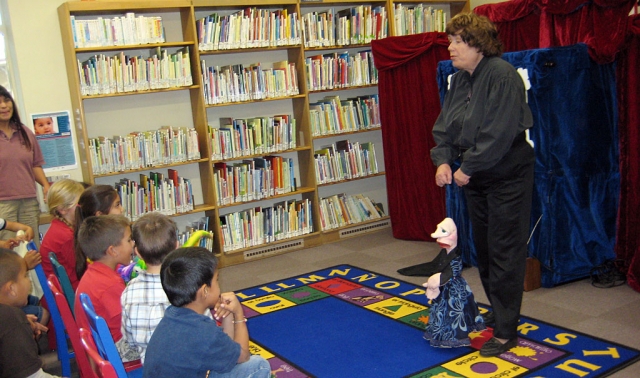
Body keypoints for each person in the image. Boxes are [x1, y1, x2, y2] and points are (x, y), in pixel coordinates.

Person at [430, 12, 535, 357]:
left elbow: (500, 133)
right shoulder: (460, 79)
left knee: (505, 251)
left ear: (478, 44)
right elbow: (445, 127)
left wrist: (467, 167)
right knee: (486, 250)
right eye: (451, 41)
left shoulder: (502, 76)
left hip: (506, 175)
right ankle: (500, 309)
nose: (451, 48)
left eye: (458, 41)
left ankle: (506, 332)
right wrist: (443, 159)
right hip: (477, 177)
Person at [143, 247, 270, 378]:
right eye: (216, 280)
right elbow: (243, 356)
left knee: (222, 365)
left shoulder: (172, 315)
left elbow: (227, 350)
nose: (218, 284)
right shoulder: (203, 332)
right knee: (258, 365)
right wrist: (238, 314)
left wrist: (228, 314)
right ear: (205, 291)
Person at [74, 214, 140, 362]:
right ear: (112, 251)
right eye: (129, 240)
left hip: (103, 349)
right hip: (115, 353)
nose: (133, 244)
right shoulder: (109, 285)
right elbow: (132, 325)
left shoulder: (94, 272)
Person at [121, 213, 179, 363]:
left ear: (137, 252)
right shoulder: (187, 287)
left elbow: (130, 340)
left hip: (150, 370)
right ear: (177, 247)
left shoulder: (129, 290)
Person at [0, 85, 50, 250]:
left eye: (6, 100)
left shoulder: (25, 132)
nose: (4, 106)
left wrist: (46, 186)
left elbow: (35, 164)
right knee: (9, 251)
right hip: (3, 204)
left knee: (31, 248)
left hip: (28, 200)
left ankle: (30, 278)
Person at [422, 218, 485, 347]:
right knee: (440, 310)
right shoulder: (444, 252)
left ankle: (454, 336)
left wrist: (437, 280)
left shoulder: (456, 254)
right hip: (443, 285)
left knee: (453, 310)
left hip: (453, 287)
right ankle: (440, 331)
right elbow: (436, 265)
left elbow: (453, 272)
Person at [0, 249, 60, 378]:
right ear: (11, 289)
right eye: (25, 276)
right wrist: (18, 325)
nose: (29, 281)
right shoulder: (11, 320)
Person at [39, 179, 85, 291]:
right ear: (63, 209)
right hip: (70, 292)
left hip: (66, 288)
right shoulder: (65, 236)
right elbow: (81, 269)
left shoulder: (59, 226)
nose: (84, 207)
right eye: (80, 204)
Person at [74, 184, 124, 279]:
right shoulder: (101, 246)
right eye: (117, 205)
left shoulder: (92, 238)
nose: (122, 209)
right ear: (100, 215)